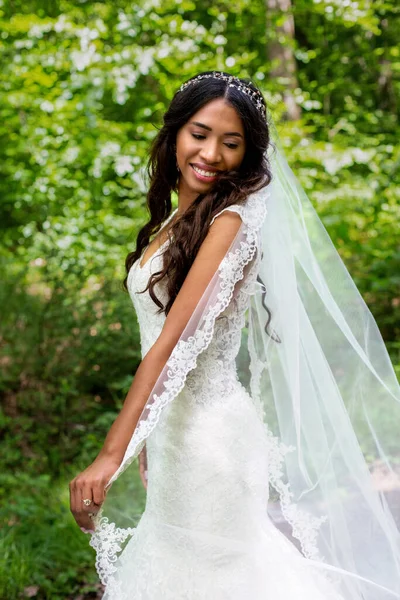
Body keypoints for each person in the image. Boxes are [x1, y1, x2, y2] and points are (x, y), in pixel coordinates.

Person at [70, 72, 400, 599]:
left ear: (248, 155)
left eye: (231, 143)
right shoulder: (176, 222)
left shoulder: (231, 223)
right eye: (199, 134)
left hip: (212, 442)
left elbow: (173, 345)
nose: (211, 153)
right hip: (174, 434)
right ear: (175, 133)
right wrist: (150, 439)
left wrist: (113, 454)